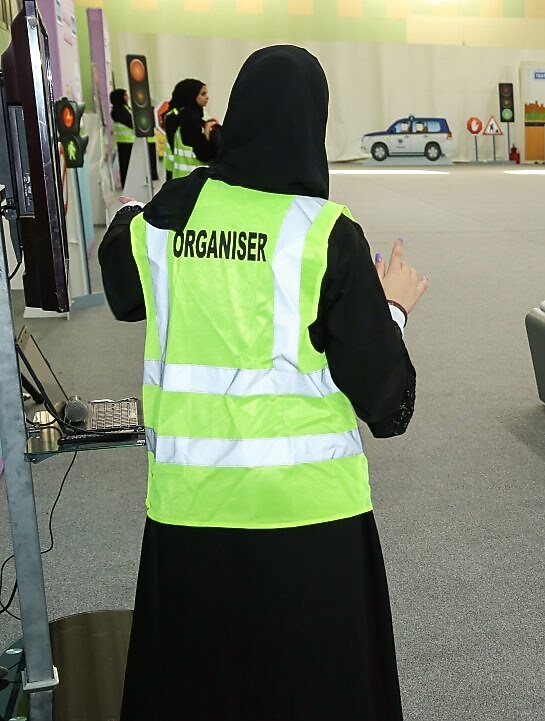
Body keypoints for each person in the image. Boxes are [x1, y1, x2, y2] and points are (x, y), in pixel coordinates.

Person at [97, 46, 425, 720]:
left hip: (190, 514)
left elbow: (123, 290)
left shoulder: (168, 217)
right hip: (310, 520)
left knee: (202, 689)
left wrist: (132, 209)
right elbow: (389, 403)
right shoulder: (324, 234)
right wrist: (390, 308)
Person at [164, 78, 220, 179]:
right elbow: (204, 154)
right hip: (194, 178)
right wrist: (207, 134)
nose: (207, 97)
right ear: (191, 95)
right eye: (203, 94)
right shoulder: (190, 118)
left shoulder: (174, 116)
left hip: (178, 176)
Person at [110, 88, 135, 187]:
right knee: (126, 165)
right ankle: (128, 184)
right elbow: (131, 122)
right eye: (125, 95)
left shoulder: (125, 108)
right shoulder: (119, 110)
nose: (127, 97)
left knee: (129, 165)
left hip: (129, 140)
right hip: (125, 142)